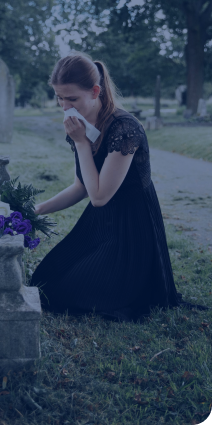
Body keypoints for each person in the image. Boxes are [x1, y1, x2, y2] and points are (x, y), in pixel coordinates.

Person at [29, 53, 207, 322]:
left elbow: (99, 196)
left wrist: (80, 143)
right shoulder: (80, 126)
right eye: (59, 98)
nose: (65, 107)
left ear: (95, 91)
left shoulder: (125, 128)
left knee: (70, 294)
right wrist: (36, 210)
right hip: (100, 223)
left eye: (72, 99)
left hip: (133, 226)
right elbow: (82, 186)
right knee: (45, 280)